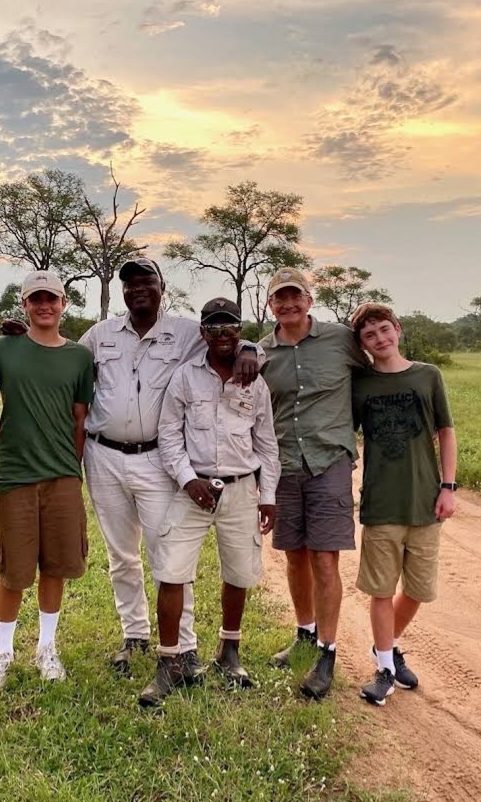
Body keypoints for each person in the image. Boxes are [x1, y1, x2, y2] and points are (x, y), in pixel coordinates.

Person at [78, 257, 261, 681]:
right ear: (122, 292)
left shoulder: (183, 333)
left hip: (158, 458)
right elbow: (61, 358)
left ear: (162, 286)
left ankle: (184, 645)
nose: (137, 288)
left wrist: (251, 348)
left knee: (169, 553)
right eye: (130, 284)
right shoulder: (101, 334)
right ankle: (135, 635)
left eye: (146, 281)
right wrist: (21, 339)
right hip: (103, 455)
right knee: (121, 554)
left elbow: (227, 344)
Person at [140, 298, 280, 708]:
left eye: (230, 327)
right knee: (171, 570)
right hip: (195, 487)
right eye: (214, 329)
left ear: (240, 330)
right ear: (202, 333)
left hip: (241, 489)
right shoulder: (185, 377)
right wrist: (187, 480)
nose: (223, 336)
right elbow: (169, 435)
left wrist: (267, 495)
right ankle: (170, 663)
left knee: (239, 570)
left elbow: (267, 444)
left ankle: (229, 652)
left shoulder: (255, 380)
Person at [0, 271, 95, 688]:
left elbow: (81, 418)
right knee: (13, 571)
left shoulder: (79, 357)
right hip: (14, 476)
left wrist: (71, 470)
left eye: (52, 298)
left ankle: (46, 648)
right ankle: (3, 652)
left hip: (61, 477)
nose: (45, 305)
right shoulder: (4, 348)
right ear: (24, 304)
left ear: (64, 303)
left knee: (55, 565)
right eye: (36, 299)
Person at [259, 268, 368, 700]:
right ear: (270, 304)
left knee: (326, 559)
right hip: (283, 463)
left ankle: (327, 650)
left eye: (295, 296)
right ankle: (304, 633)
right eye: (279, 298)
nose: (288, 304)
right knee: (294, 555)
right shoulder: (262, 352)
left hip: (329, 461)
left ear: (309, 298)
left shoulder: (341, 340)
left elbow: (375, 374)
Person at [350, 302, 457, 706]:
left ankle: (388, 647)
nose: (380, 339)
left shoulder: (428, 376)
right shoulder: (359, 384)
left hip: (425, 501)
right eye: (369, 335)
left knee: (417, 590)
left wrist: (448, 486)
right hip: (381, 501)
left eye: (384, 330)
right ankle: (383, 669)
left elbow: (446, 432)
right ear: (362, 344)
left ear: (398, 329)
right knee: (381, 589)